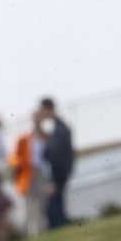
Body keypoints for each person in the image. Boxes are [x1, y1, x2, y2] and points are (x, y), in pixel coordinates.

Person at [9, 109, 49, 237]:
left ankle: (41, 230)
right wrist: (18, 167)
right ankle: (27, 234)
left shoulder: (45, 137)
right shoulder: (24, 139)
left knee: (42, 202)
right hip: (28, 173)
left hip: (41, 172)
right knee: (28, 205)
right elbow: (14, 158)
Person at [40, 97, 74, 230]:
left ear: (49, 109)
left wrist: (53, 180)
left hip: (58, 174)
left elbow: (56, 155)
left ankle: (60, 228)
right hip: (60, 172)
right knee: (57, 204)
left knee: (53, 207)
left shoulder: (60, 129)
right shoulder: (59, 128)